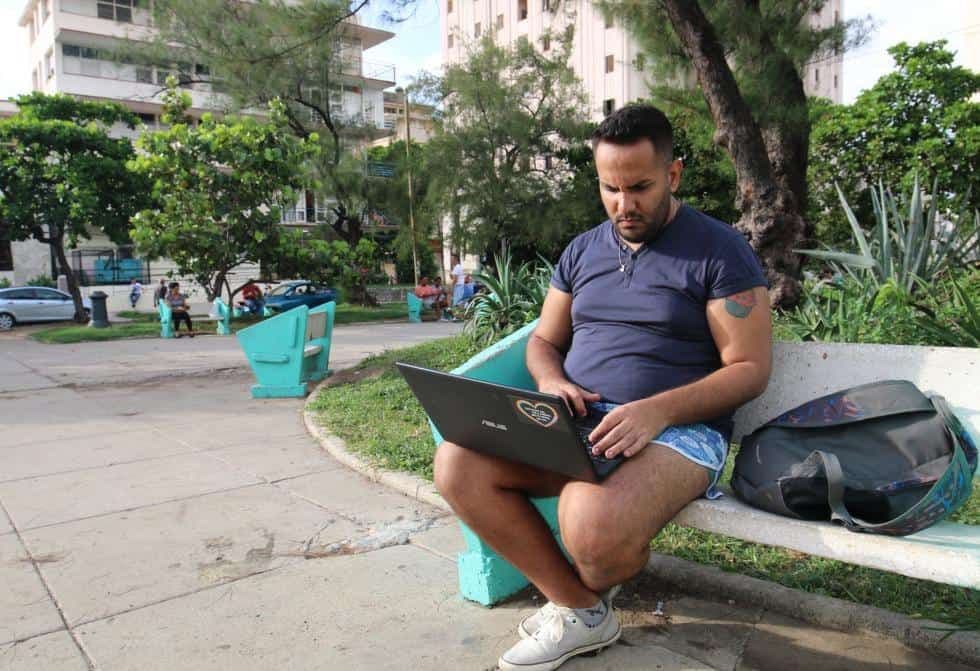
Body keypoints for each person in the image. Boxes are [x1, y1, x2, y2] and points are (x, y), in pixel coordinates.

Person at [433, 104, 772, 671]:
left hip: (679, 433)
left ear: (673, 174)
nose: (623, 205)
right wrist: (552, 379)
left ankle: (576, 602)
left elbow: (749, 369)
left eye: (639, 188)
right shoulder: (583, 250)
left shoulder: (719, 251)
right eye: (610, 188)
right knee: (457, 463)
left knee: (588, 526)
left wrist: (656, 412)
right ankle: (582, 610)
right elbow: (544, 340)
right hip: (582, 422)